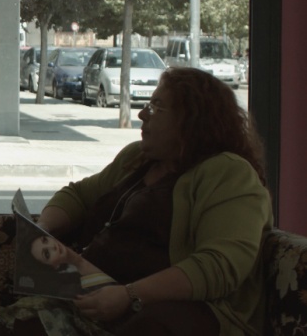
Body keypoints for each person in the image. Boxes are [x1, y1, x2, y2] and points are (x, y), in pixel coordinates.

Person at [28, 67, 272, 336]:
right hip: (91, 296)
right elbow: (77, 195)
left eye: (156, 107)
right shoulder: (137, 157)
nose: (142, 114)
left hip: (170, 314)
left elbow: (218, 266)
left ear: (190, 120)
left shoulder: (229, 173)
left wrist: (129, 295)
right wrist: (42, 230)